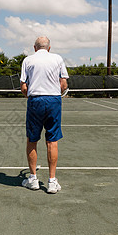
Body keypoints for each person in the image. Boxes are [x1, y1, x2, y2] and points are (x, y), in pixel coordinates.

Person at [20, 36, 69, 194]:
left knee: (32, 139)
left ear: (35, 48)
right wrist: (55, 93)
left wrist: (35, 96)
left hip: (35, 101)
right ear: (49, 47)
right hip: (53, 101)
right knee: (52, 141)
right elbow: (63, 84)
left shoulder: (27, 60)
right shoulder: (57, 59)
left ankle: (33, 179)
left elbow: (23, 87)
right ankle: (52, 182)